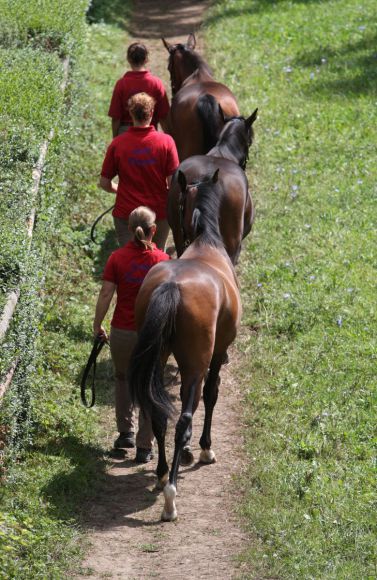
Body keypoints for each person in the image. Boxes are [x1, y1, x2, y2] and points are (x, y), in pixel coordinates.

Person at [93, 206, 170, 463]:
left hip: (122, 332)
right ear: (154, 230)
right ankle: (144, 447)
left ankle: (125, 432)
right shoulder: (163, 262)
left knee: (123, 378)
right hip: (151, 334)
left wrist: (97, 324)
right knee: (149, 384)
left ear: (128, 229)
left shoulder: (117, 257)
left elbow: (106, 294)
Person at [99, 92, 179, 251]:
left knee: (130, 261)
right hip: (158, 215)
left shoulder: (118, 144)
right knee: (155, 260)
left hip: (126, 214)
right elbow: (173, 184)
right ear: (151, 113)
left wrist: (118, 190)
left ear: (130, 113)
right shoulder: (166, 142)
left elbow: (104, 183)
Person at [108, 42, 170, 137]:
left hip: (125, 133)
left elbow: (116, 118)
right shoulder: (156, 83)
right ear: (146, 59)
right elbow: (164, 117)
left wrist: (115, 140)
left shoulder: (121, 84)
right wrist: (169, 138)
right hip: (149, 132)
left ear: (128, 59)